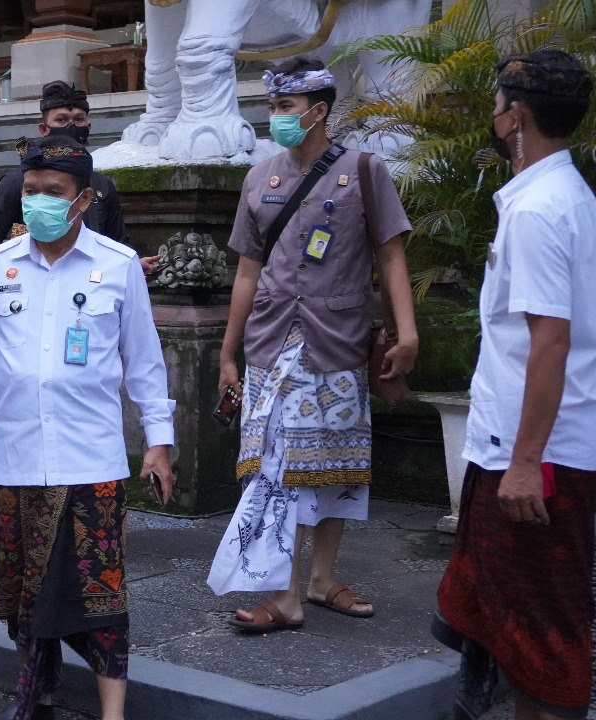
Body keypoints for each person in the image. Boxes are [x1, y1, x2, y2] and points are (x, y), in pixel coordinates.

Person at [0, 134, 175, 720]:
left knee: (101, 597)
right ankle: (37, 690)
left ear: (83, 200)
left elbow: (146, 365)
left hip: (92, 460)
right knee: (26, 593)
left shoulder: (118, 267)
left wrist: (159, 443)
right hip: (18, 460)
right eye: (30, 192)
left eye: (53, 192)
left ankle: (112, 713)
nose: (38, 203)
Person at [205, 58, 418, 632]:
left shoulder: (365, 170)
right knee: (277, 464)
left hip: (339, 338)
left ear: (317, 111)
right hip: (273, 342)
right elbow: (248, 271)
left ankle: (321, 580)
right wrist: (229, 352)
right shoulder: (259, 178)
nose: (275, 118)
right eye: (271, 107)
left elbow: (391, 254)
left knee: (335, 465)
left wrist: (409, 330)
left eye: (284, 109)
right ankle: (285, 593)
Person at [434, 50, 596, 720]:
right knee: (506, 618)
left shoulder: (540, 209)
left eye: (498, 101)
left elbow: (550, 340)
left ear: (517, 117)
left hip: (536, 454)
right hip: (517, 442)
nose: (493, 112)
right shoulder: (556, 196)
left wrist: (528, 463)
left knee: (540, 628)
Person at [0, 81, 158, 274]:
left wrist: (131, 267)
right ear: (44, 129)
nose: (71, 127)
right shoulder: (17, 181)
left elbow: (117, 243)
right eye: (61, 120)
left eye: (78, 120)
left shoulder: (102, 185)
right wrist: (12, 276)